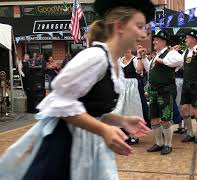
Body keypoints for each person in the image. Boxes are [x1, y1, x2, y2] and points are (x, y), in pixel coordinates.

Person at [0, 0, 155, 179]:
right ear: (119, 26)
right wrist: (104, 130)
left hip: (88, 146)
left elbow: (90, 108)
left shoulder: (115, 66)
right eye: (139, 26)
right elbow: (60, 102)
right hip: (66, 144)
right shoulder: (95, 57)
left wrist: (121, 120)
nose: (143, 34)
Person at [142, 30, 183, 155]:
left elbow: (179, 61)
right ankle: (159, 143)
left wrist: (163, 61)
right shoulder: (157, 55)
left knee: (165, 119)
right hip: (154, 91)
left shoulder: (170, 53)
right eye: (154, 39)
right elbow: (150, 69)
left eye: (156, 40)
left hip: (166, 91)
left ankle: (168, 145)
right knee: (154, 119)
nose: (153, 41)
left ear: (164, 41)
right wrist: (143, 57)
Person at [114, 49, 145, 145]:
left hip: (132, 87)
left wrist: (140, 56)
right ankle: (125, 135)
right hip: (122, 87)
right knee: (121, 111)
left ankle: (134, 136)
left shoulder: (135, 59)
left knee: (133, 110)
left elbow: (139, 70)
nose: (125, 51)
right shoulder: (120, 60)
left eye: (127, 50)